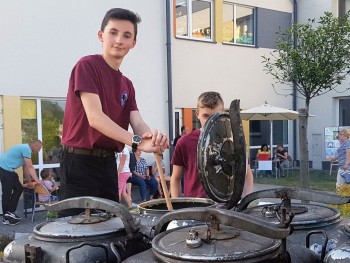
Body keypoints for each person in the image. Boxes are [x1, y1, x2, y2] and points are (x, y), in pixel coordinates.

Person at [59, 8, 169, 208]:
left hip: (108, 163)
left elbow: (137, 122)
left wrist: (152, 138)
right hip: (78, 163)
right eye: (113, 32)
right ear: (101, 35)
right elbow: (96, 118)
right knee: (77, 232)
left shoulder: (127, 84)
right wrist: (137, 143)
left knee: (110, 227)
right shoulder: (87, 66)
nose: (119, 40)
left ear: (133, 43)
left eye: (127, 35)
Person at [170, 91, 254, 199]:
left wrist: (246, 202)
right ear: (197, 114)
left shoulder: (233, 140)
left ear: (222, 113)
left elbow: (246, 173)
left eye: (215, 116)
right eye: (206, 116)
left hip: (225, 207)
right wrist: (176, 207)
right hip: (195, 207)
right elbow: (175, 178)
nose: (210, 120)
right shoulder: (184, 142)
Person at [0, 140, 42, 225]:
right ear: (35, 146)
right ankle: (6, 217)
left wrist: (30, 182)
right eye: (39, 148)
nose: (39, 151)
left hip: (9, 170)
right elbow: (30, 167)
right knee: (7, 193)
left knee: (19, 189)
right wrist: (37, 181)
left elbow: (26, 169)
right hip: (4, 169)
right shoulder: (26, 148)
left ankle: (9, 213)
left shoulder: (26, 151)